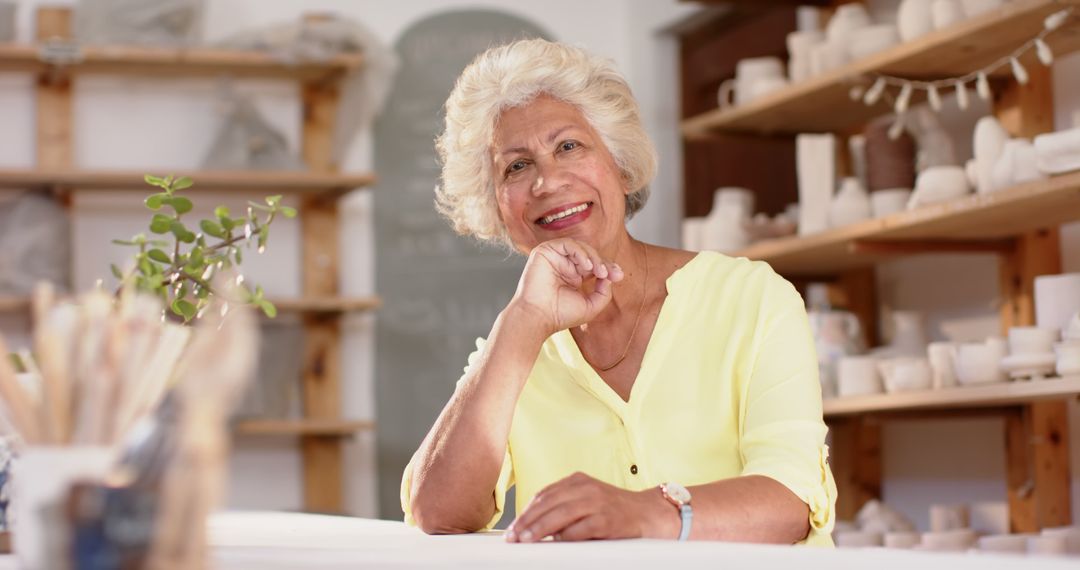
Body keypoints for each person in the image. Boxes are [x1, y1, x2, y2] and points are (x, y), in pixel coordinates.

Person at [400, 38, 836, 546]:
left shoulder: (752, 297)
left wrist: (641, 514)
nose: (547, 181)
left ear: (621, 166)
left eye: (568, 146)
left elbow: (791, 502)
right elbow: (439, 512)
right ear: (498, 209)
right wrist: (521, 326)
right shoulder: (515, 343)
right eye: (516, 167)